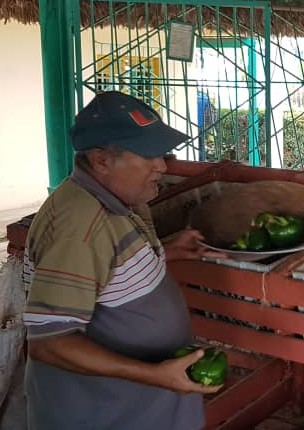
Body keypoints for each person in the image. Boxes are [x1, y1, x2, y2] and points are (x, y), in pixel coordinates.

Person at [22, 91, 226, 429]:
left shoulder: (122, 197)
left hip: (141, 408)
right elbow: (51, 342)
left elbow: (109, 270)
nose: (162, 165)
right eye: (148, 155)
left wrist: (165, 251)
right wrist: (154, 375)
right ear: (101, 160)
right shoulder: (80, 227)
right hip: (103, 415)